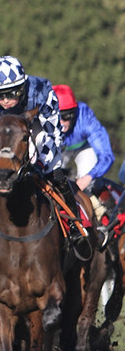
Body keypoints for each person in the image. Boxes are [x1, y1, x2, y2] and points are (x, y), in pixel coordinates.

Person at [0, 55, 88, 260]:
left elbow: (53, 134)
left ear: (23, 86)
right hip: (0, 133)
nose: (5, 100)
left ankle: (73, 223)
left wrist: (39, 164)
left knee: (54, 170)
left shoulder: (42, 89)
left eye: (11, 93)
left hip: (34, 128)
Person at [54, 84, 117, 247]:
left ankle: (104, 221)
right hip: (57, 150)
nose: (62, 122)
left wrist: (88, 177)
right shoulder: (43, 116)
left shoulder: (85, 117)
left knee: (89, 176)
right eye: (57, 116)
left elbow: (107, 156)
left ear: (75, 112)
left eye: (67, 116)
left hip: (83, 148)